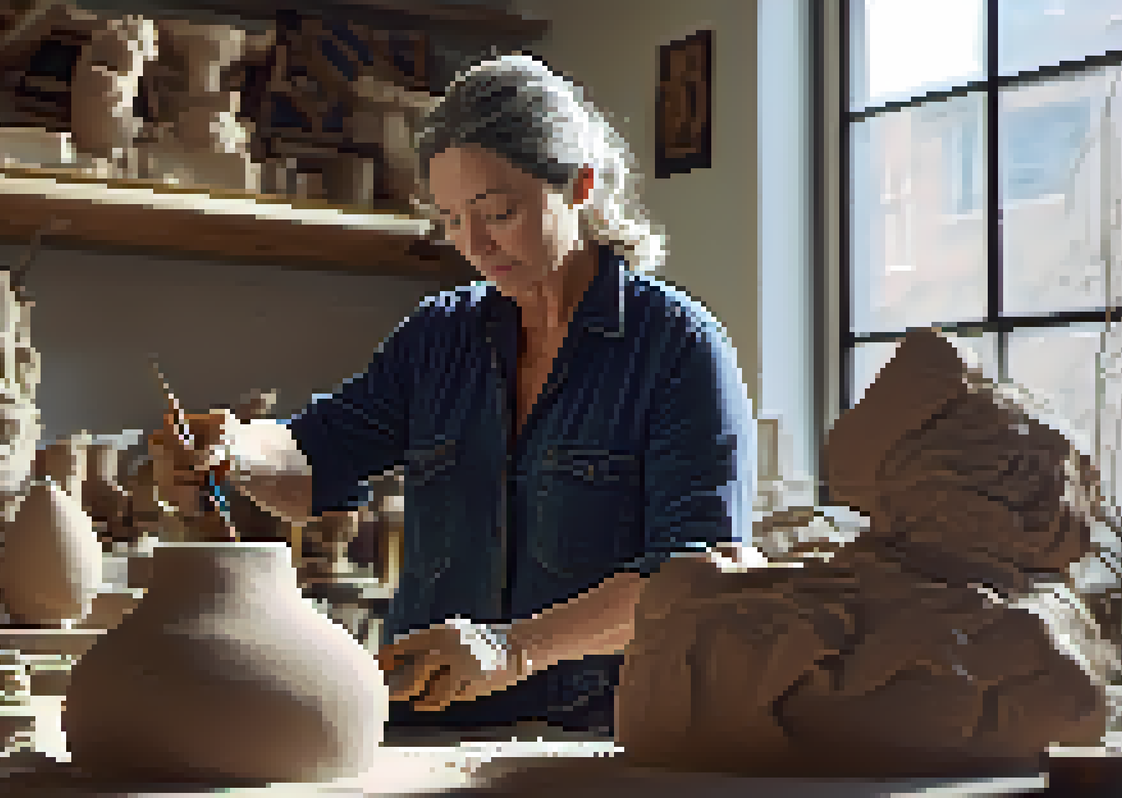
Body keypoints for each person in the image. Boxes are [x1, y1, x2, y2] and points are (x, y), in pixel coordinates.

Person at [148, 54, 756, 736]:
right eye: (452, 220)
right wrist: (235, 449)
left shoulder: (676, 346)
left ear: (580, 185)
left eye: (498, 212)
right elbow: (317, 458)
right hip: (428, 726)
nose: (476, 245)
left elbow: (698, 579)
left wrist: (514, 649)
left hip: (599, 739)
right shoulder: (440, 336)